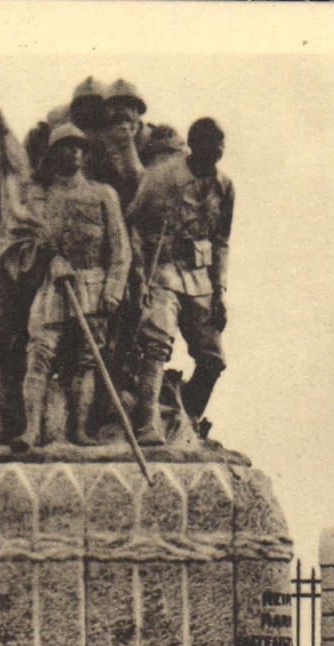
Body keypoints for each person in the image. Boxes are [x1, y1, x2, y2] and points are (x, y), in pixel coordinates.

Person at [12, 123, 132, 452]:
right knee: (39, 355)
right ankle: (31, 431)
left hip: (93, 286)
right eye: (66, 147)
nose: (74, 153)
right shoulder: (40, 198)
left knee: (86, 361)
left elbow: (121, 249)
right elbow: (27, 245)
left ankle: (80, 430)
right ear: (53, 155)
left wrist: (112, 291)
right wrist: (48, 261)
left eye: (79, 147)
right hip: (53, 287)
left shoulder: (104, 194)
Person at [124, 117, 234, 442]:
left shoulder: (225, 187)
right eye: (208, 150)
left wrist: (219, 291)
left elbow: (222, 241)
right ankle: (147, 425)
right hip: (164, 271)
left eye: (219, 150)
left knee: (213, 358)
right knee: (157, 345)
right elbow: (130, 221)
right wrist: (140, 272)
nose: (214, 157)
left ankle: (186, 421)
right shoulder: (162, 178)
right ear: (193, 146)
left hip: (200, 278)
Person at [85, 78, 149, 209]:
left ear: (138, 112)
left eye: (128, 105)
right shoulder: (95, 142)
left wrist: (127, 142)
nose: (120, 110)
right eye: (113, 106)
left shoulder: (153, 139)